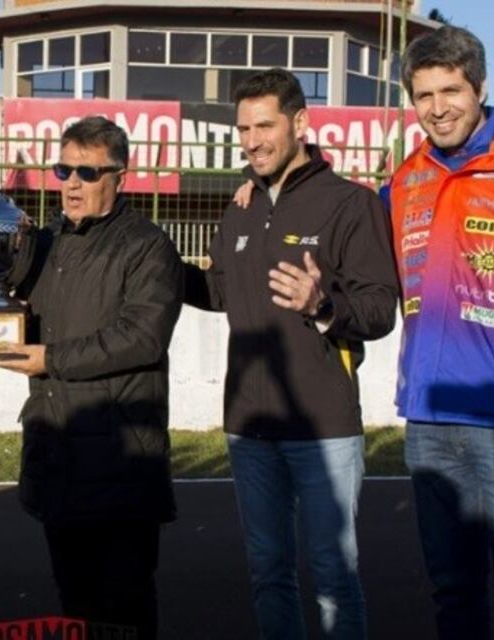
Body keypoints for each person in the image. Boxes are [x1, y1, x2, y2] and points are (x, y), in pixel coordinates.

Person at [186, 68, 398, 639]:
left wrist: (321, 304)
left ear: (300, 123)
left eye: (264, 126)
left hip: (323, 428)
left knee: (334, 578)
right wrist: (160, 271)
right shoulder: (242, 205)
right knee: (268, 573)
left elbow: (379, 310)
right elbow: (221, 291)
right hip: (249, 427)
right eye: (243, 128)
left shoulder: (351, 204)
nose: (251, 140)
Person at [384, 25, 494, 639]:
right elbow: (346, 224)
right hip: (428, 423)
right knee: (453, 600)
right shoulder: (406, 179)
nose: (437, 108)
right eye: (423, 95)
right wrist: (269, 185)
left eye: (451, 90)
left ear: (480, 86)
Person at [0, 116, 183, 639]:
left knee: (123, 610)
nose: (71, 183)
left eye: (86, 172)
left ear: (120, 176)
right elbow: (21, 314)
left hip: (121, 461)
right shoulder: (47, 240)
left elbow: (140, 337)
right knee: (73, 606)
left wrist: (49, 358)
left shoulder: (148, 246)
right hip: (58, 452)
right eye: (62, 169)